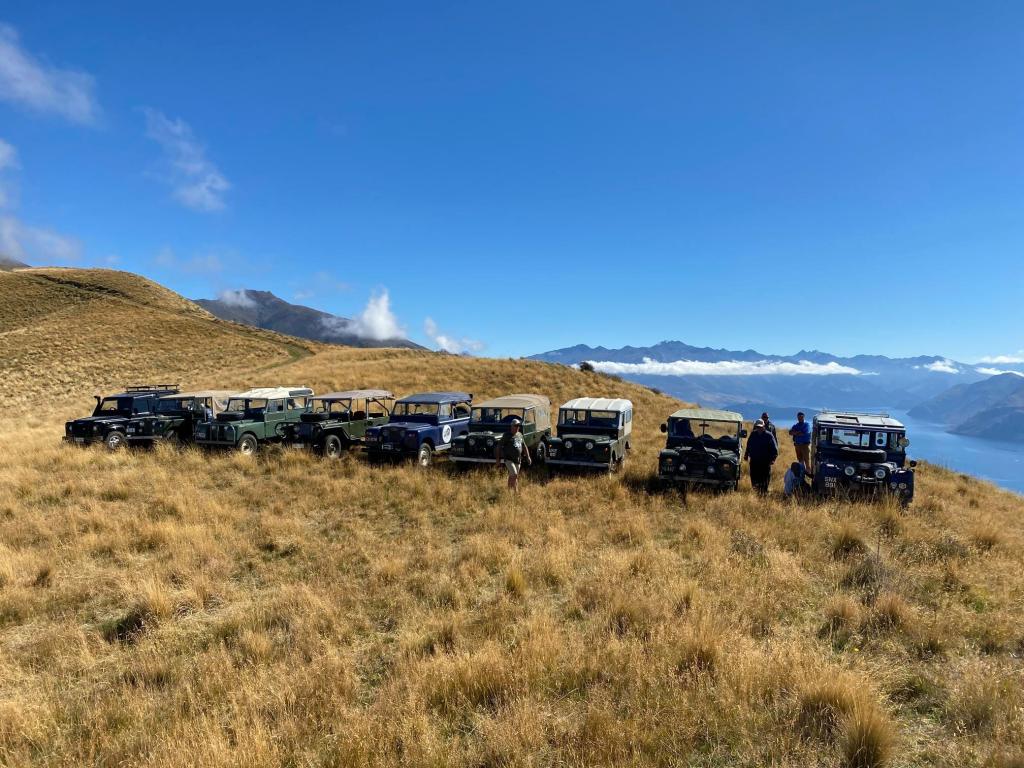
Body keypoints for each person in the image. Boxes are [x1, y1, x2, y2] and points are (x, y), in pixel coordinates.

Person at [496, 418, 532, 493]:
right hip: (509, 459)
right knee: (514, 474)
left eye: (518, 425)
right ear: (512, 426)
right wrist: (498, 460)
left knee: (513, 476)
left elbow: (524, 446)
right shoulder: (507, 435)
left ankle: (510, 492)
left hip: (518, 459)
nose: (517, 427)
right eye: (516, 425)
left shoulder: (520, 435)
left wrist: (528, 457)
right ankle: (516, 491)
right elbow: (499, 446)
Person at [744, 419, 779, 495]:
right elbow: (748, 445)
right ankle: (756, 493)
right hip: (754, 461)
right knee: (754, 477)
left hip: (765, 462)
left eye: (760, 427)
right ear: (755, 427)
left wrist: (773, 459)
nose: (759, 428)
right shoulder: (753, 434)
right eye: (757, 427)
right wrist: (746, 454)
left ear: (763, 426)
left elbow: (775, 449)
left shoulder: (769, 435)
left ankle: (763, 493)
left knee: (764, 479)